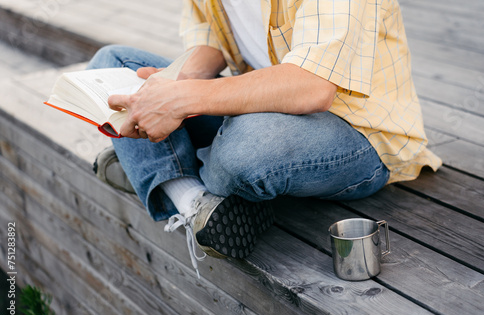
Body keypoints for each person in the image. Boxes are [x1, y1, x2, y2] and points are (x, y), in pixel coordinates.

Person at [89, 0, 441, 276]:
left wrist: (179, 101)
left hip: (357, 131)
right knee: (112, 65)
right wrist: (170, 86)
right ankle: (193, 201)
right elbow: (210, 41)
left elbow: (312, 86)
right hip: (261, 107)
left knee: (246, 149)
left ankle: (157, 173)